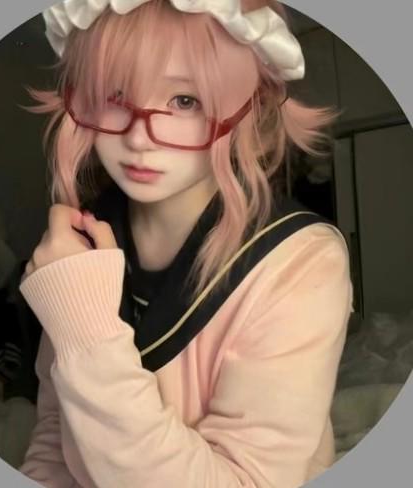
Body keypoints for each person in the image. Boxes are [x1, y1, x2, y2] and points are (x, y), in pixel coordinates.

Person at [18, 1, 354, 487]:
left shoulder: (302, 261)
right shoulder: (79, 245)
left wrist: (84, 328)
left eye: (184, 101)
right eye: (115, 93)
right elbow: (55, 437)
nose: (139, 137)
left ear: (250, 107)